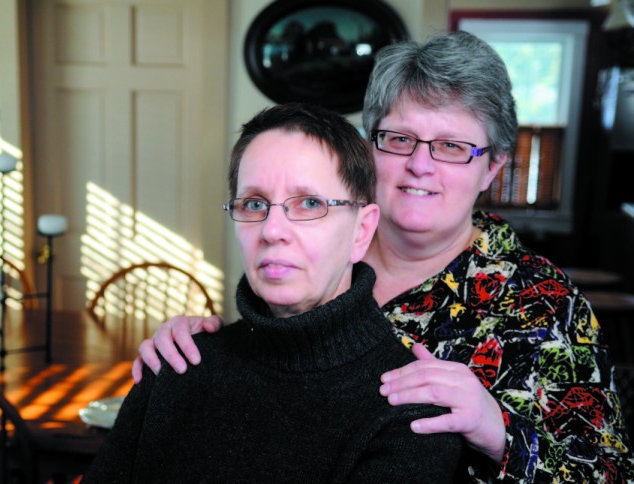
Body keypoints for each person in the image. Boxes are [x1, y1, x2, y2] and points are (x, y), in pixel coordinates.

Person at [132, 31, 634, 482]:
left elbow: (610, 474)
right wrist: (195, 348)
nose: (420, 165)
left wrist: (496, 429)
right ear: (370, 146)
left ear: (493, 168)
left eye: (453, 146)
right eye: (399, 139)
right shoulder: (312, 248)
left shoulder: (543, 303)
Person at [83, 103, 464, 483]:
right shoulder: (178, 364)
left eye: (310, 203)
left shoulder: (411, 411)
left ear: (361, 231)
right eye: (254, 204)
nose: (272, 229)